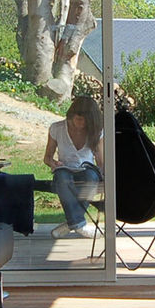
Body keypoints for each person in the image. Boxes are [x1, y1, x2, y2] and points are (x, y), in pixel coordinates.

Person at [44, 94, 103, 239]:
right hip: (64, 168)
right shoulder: (57, 128)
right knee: (62, 178)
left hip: (87, 169)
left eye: (85, 121)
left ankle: (72, 223)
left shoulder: (96, 131)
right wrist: (54, 164)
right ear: (71, 115)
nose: (81, 124)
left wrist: (104, 176)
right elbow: (47, 157)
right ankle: (78, 223)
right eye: (78, 119)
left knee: (91, 178)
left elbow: (100, 161)